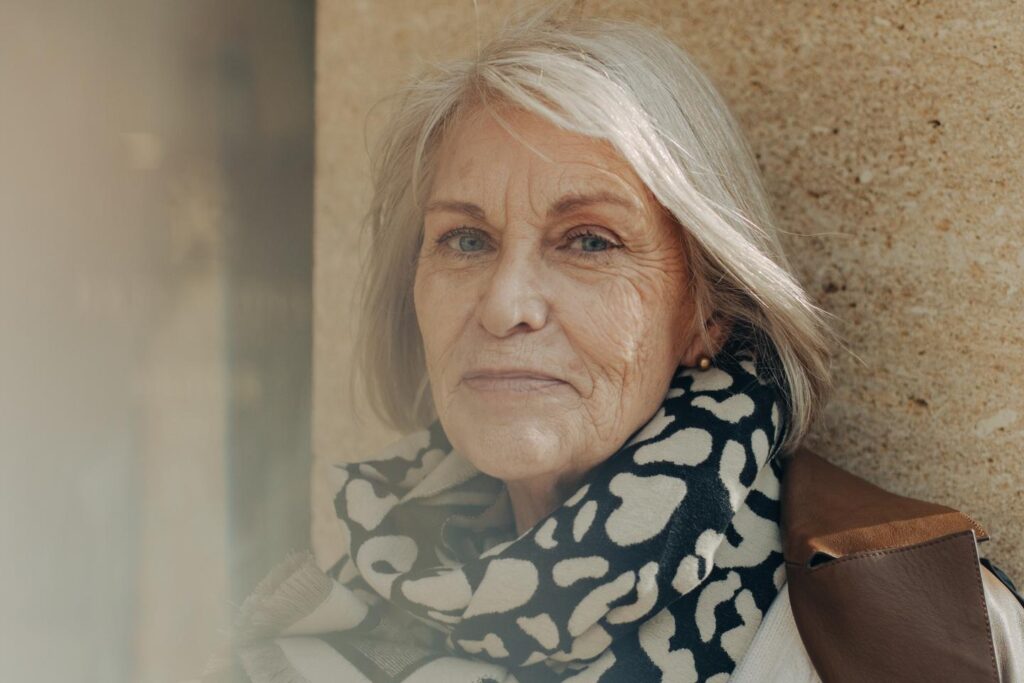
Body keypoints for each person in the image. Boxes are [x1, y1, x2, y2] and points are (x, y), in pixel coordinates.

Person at [205, 6, 1023, 682]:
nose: (505, 305)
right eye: (465, 239)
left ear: (706, 312)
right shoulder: (331, 625)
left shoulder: (909, 629)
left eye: (589, 241)